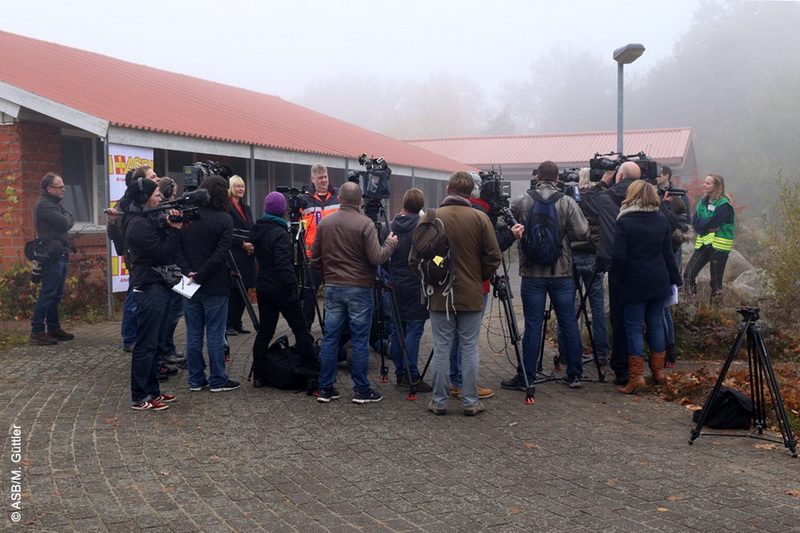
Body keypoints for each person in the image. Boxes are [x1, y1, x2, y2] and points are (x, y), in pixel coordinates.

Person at [411, 172, 501, 416]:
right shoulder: (480, 218)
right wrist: (477, 277)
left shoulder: (430, 217)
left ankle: (439, 401)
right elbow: (494, 256)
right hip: (471, 294)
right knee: (470, 348)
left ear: (448, 188)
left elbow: (414, 259)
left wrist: (431, 278)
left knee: (441, 348)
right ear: (471, 193)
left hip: (439, 295)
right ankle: (470, 402)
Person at [502, 161, 589, 394]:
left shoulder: (523, 200)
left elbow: (502, 223)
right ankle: (574, 374)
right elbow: (582, 231)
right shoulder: (567, 201)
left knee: (532, 325)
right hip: (562, 273)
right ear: (558, 179)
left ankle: (527, 377)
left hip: (531, 274)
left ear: (537, 176)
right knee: (568, 322)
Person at [310, 182, 398, 404]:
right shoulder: (365, 224)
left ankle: (326, 388)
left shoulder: (325, 223)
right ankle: (361, 390)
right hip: (359, 288)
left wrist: (328, 276)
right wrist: (389, 244)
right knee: (359, 339)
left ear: (339, 198)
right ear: (360, 201)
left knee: (330, 338)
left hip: (333, 287)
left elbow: (315, 260)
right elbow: (377, 257)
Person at [448, 173, 524, 400]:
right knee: (467, 339)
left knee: (451, 337)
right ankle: (463, 385)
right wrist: (510, 235)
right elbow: (491, 250)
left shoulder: (440, 214)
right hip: (473, 285)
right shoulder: (478, 215)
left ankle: (454, 381)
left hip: (448, 284)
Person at [610, 180, 682, 393]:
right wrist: (675, 279)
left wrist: (616, 278)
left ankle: (636, 377)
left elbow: (618, 256)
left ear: (632, 196)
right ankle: (658, 373)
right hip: (659, 280)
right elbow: (668, 253)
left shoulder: (624, 222)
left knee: (633, 328)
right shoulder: (660, 220)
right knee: (656, 325)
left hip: (634, 282)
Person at [122, 177, 182, 411]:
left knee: (155, 343)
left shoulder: (144, 219)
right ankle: (140, 396)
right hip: (150, 288)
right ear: (144, 198)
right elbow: (162, 253)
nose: (160, 196)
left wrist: (168, 226)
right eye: (156, 194)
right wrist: (174, 231)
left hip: (157, 286)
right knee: (146, 344)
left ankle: (152, 390)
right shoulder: (138, 224)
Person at [581, 161, 642, 385]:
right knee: (641, 318)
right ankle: (646, 368)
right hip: (641, 264)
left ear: (618, 177)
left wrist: (600, 184)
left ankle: (621, 369)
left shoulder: (606, 199)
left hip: (615, 262)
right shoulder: (645, 198)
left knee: (618, 316)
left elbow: (586, 203)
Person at [177, 175, 238, 393]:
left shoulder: (188, 217)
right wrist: (201, 275)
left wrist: (188, 272)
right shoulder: (224, 219)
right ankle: (218, 379)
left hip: (189, 283)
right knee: (215, 334)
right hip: (214, 284)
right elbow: (220, 254)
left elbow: (178, 249)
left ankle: (195, 379)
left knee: (193, 334)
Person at [251, 191, 318, 387]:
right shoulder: (280, 233)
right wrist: (293, 287)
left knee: (265, 331)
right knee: (300, 329)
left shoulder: (258, 229)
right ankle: (312, 369)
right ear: (282, 211)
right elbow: (283, 264)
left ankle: (259, 374)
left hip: (264, 287)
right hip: (281, 288)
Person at [557, 167, 609, 367]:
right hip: (593, 257)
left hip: (571, 257)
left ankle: (566, 351)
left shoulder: (570, 198)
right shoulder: (602, 198)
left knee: (566, 307)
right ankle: (602, 352)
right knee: (597, 307)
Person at [383, 188, 432, 393]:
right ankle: (412, 373)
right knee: (415, 329)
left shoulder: (390, 226)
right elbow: (431, 255)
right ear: (421, 206)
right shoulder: (423, 229)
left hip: (394, 283)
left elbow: (383, 254)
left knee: (397, 329)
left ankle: (399, 372)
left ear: (404, 204)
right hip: (416, 284)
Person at [108, 166, 160, 353]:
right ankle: (130, 338)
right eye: (153, 177)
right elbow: (117, 234)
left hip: (146, 259)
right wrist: (113, 222)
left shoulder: (154, 201)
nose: (158, 179)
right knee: (134, 298)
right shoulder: (126, 204)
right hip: (136, 258)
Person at [30, 172, 75, 345]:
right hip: (51, 255)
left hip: (60, 252)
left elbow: (70, 218)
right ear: (49, 188)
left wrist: (67, 218)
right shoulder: (44, 205)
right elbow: (65, 223)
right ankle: (37, 330)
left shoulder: (55, 203)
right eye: (60, 187)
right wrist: (67, 219)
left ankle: (54, 327)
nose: (63, 189)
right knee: (48, 293)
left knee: (57, 294)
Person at [299, 164, 341, 326]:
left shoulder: (339, 196)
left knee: (332, 292)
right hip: (312, 256)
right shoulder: (305, 200)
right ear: (312, 179)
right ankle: (306, 326)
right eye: (320, 178)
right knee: (309, 293)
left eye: (325, 177)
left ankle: (329, 325)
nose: (323, 181)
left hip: (335, 254)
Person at [684, 173, 735, 302]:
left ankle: (714, 315)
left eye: (708, 183)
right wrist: (706, 225)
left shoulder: (724, 204)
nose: (704, 185)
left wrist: (705, 224)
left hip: (719, 247)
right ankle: (692, 306)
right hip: (704, 244)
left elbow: (715, 223)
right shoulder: (703, 202)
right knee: (688, 274)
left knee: (716, 284)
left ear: (717, 186)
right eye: (704, 182)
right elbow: (695, 222)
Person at [156, 177, 187, 369]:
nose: (174, 198)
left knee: (175, 311)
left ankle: (168, 347)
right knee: (172, 313)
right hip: (170, 269)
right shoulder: (161, 213)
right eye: (173, 194)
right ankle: (165, 350)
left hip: (176, 267)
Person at [226, 175, 256, 336]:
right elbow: (227, 232)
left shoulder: (247, 208)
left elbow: (251, 227)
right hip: (235, 253)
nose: (241, 189)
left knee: (245, 288)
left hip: (247, 255)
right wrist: (242, 244)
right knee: (234, 290)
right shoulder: (226, 207)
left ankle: (238, 322)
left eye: (243, 186)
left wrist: (253, 244)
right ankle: (229, 323)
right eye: (237, 186)